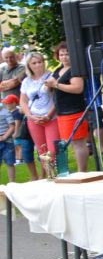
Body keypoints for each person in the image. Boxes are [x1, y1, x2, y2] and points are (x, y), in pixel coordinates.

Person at [47, 42, 91, 172]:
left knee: (79, 143)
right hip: (62, 112)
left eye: (67, 54)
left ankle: (82, 171)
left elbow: (78, 88)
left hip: (74, 111)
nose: (64, 57)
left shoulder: (75, 70)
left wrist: (56, 85)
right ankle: (80, 170)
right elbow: (54, 86)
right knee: (72, 143)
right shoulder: (58, 70)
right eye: (61, 54)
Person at [18, 51, 59, 179]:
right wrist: (30, 116)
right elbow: (23, 100)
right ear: (29, 66)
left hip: (51, 118)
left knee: (52, 150)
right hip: (34, 119)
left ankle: (56, 175)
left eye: (40, 62)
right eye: (34, 63)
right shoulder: (26, 81)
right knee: (42, 151)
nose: (37, 65)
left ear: (43, 62)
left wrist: (49, 115)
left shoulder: (51, 76)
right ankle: (50, 177)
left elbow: (57, 98)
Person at [3, 94, 36, 180]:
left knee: (21, 148)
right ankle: (19, 159)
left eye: (8, 103)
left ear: (14, 103)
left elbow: (17, 124)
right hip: (21, 135)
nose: (6, 105)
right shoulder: (13, 112)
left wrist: (15, 133)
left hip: (22, 134)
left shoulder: (17, 112)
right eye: (5, 103)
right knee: (19, 148)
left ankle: (20, 159)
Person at [0, 93, 18, 183]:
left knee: (10, 163)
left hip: (7, 142)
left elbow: (12, 126)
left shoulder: (5, 112)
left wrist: (4, 137)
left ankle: (12, 182)